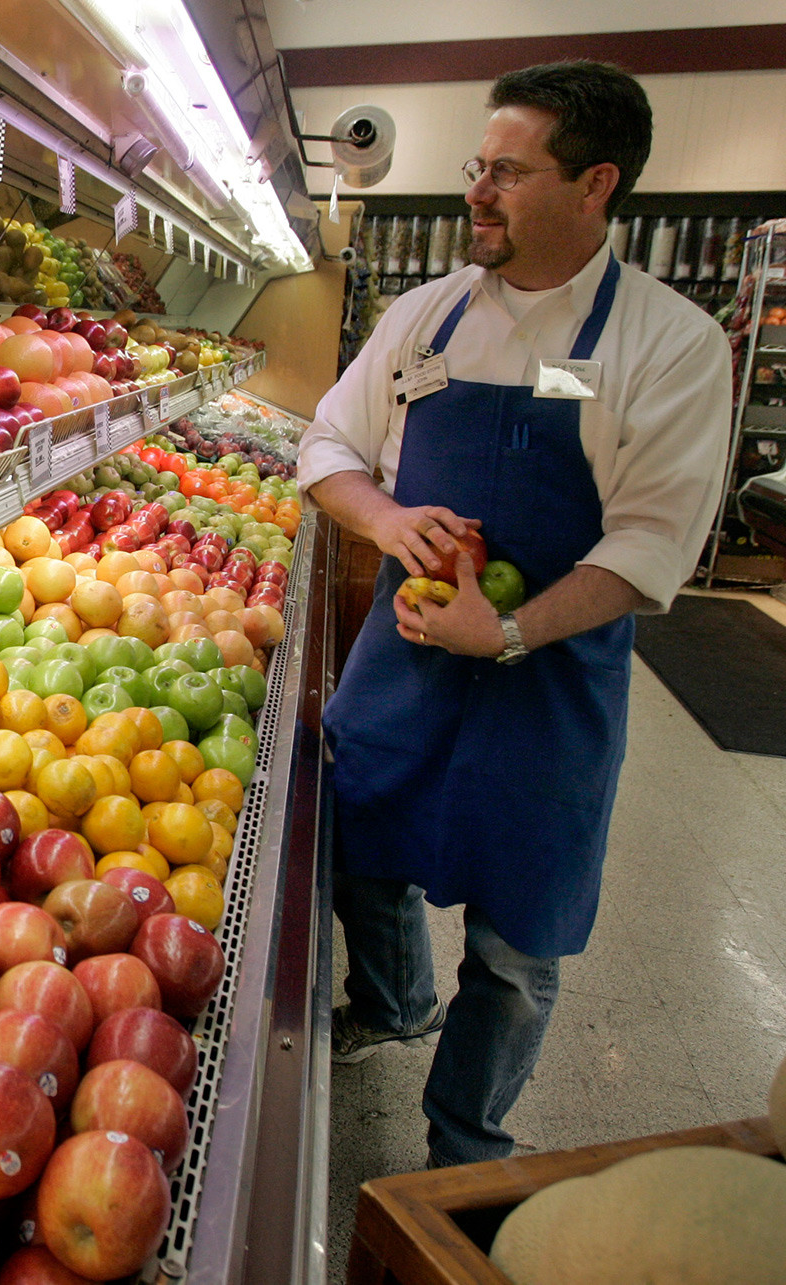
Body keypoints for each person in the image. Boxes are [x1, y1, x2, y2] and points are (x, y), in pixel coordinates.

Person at [298, 61, 731, 1168]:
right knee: (352, 839)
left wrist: (512, 629)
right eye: (474, 169)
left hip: (548, 680)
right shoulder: (427, 315)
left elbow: (650, 544)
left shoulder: (667, 345)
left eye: (506, 172)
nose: (475, 193)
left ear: (596, 184)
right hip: (408, 661)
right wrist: (388, 523)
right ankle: (397, 1000)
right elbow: (330, 448)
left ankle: (465, 1144)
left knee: (518, 941)